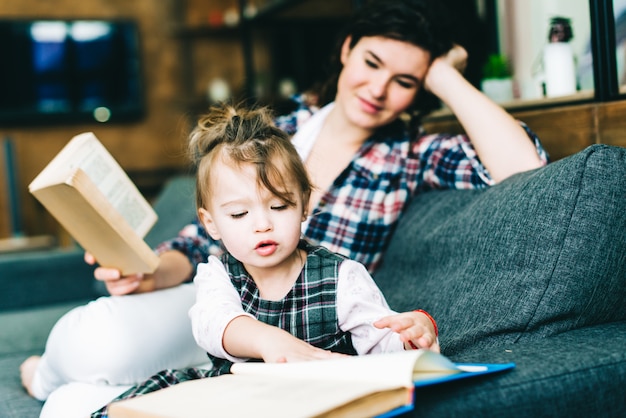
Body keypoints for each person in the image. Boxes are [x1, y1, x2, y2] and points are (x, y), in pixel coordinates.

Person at [21, 1, 548, 417]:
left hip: (305, 325)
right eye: (372, 62)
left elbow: (525, 165)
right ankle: (45, 376)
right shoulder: (280, 128)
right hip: (225, 308)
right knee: (96, 335)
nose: (379, 88)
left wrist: (444, 76)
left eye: (404, 81)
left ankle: (75, 395)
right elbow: (202, 239)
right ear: (346, 50)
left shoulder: (408, 155)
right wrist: (152, 273)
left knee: (96, 385)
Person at [90, 102, 440, 416]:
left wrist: (410, 336)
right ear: (211, 223)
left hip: (313, 399)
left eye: (279, 206)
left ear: (304, 204)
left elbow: (380, 347)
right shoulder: (218, 274)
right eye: (239, 214)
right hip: (231, 393)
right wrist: (270, 341)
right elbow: (213, 323)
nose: (262, 225)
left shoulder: (343, 276)